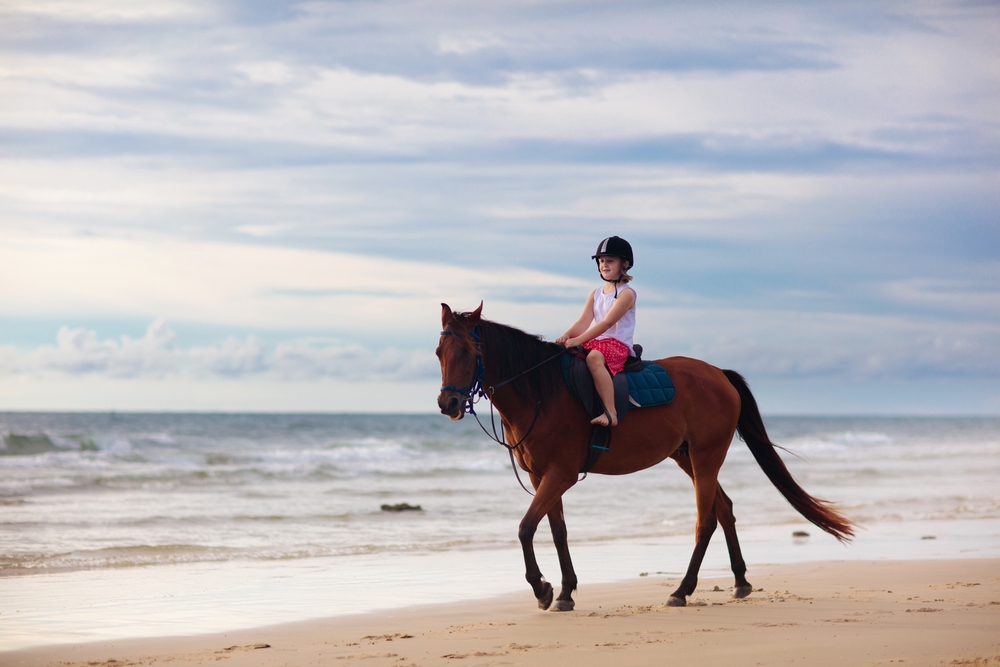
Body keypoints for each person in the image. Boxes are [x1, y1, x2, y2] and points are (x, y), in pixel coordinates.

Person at [555, 236, 636, 427]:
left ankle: (611, 412)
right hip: (596, 340)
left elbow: (607, 323)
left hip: (617, 343)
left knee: (593, 359)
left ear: (624, 264)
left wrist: (579, 340)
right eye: (601, 261)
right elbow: (584, 321)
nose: (604, 265)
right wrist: (568, 335)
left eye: (610, 261)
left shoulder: (627, 294)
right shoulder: (596, 292)